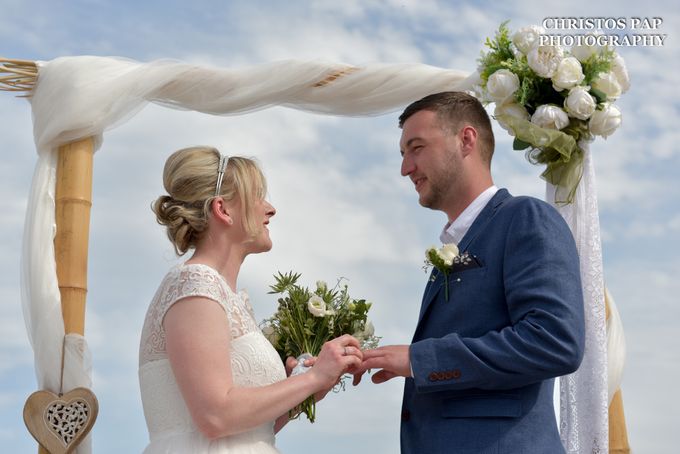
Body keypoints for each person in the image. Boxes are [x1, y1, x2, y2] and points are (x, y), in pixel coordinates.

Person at [354, 92, 586, 453]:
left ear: (466, 139)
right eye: (403, 154)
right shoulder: (454, 248)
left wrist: (419, 359)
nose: (405, 168)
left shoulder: (525, 219)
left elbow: (554, 341)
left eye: (416, 148)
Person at [138, 146, 362, 453]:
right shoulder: (194, 285)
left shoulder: (222, 294)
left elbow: (249, 429)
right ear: (223, 209)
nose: (270, 209)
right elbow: (214, 417)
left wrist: (308, 389)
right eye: (258, 196)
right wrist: (313, 379)